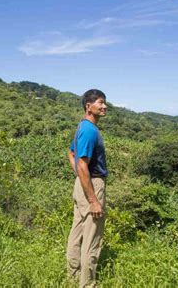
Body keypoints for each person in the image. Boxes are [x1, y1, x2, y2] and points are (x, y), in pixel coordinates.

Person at [66, 89, 108, 287]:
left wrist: (79, 176)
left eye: (104, 102)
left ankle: (73, 277)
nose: (105, 106)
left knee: (77, 232)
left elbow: (70, 154)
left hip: (81, 183)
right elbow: (82, 163)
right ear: (88, 106)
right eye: (100, 102)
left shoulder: (81, 127)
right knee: (91, 237)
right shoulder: (90, 130)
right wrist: (93, 200)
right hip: (92, 183)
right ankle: (87, 284)